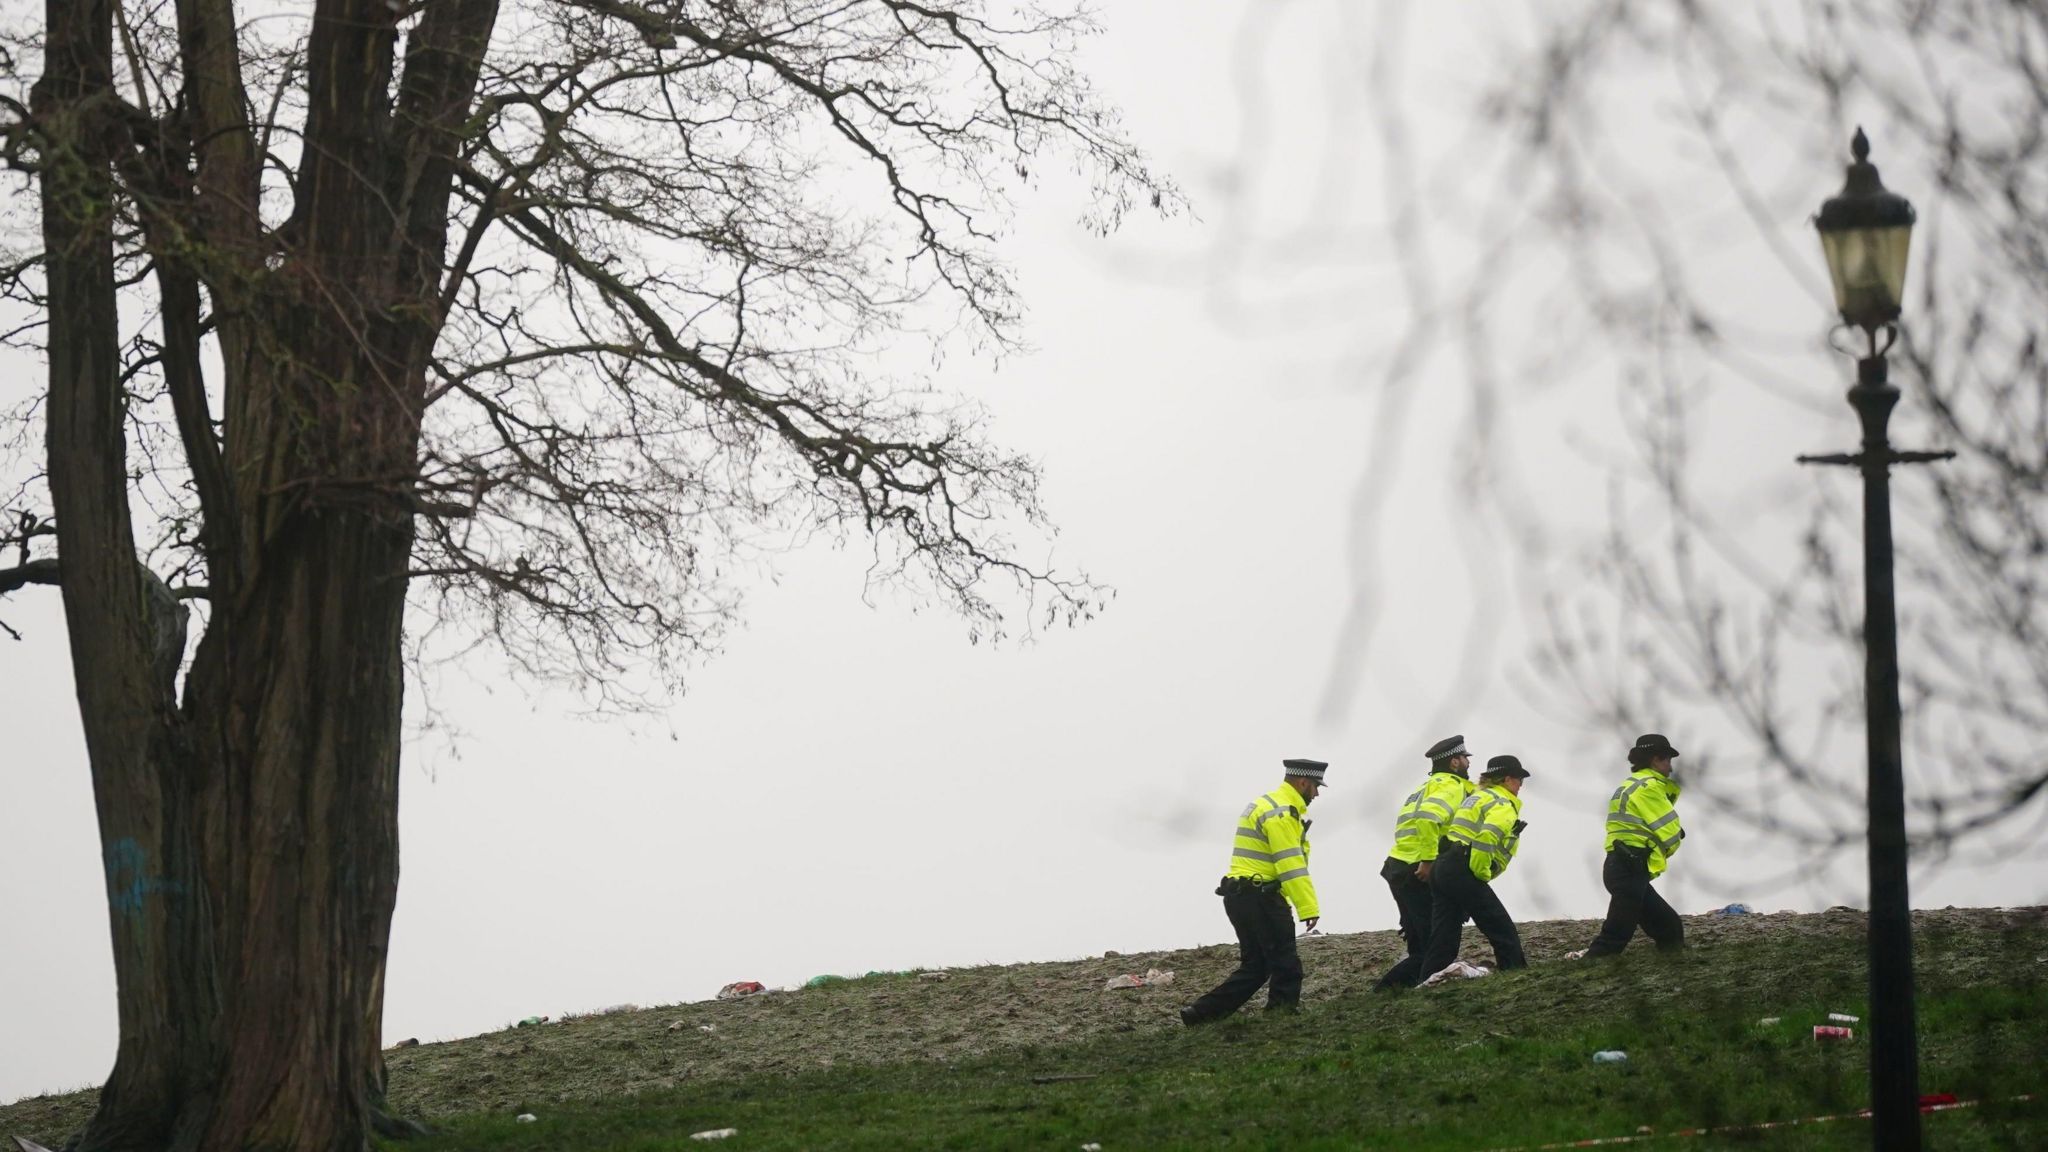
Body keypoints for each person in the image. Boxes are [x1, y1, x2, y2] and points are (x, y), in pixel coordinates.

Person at [1181, 758, 1327, 1024]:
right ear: (1303, 782)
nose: (1316, 794)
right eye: (1316, 787)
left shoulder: (1264, 804)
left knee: (1256, 966)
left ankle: (1201, 1014)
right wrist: (1308, 908)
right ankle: (1281, 1017)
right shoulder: (1283, 812)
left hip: (1238, 896)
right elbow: (1290, 863)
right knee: (1286, 962)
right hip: (1262, 896)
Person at [1372, 735, 1476, 990]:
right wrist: (1428, 862)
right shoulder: (1452, 786)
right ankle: (1387, 991)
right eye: (1465, 759)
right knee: (1436, 946)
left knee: (1420, 945)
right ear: (1454, 763)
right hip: (1418, 871)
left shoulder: (1424, 787)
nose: (1468, 765)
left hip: (1398, 867)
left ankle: (1400, 991)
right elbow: (1429, 819)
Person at [1416, 755, 1530, 981]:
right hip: (1462, 868)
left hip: (1443, 866)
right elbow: (1487, 837)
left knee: (1444, 935)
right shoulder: (1503, 803)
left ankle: (1428, 980)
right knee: (1500, 926)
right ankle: (1515, 974)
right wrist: (1481, 874)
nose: (1520, 786)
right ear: (1507, 779)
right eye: (1519, 780)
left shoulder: (1477, 797)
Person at [1581, 733, 1686, 957]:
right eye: (1668, 760)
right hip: (1630, 866)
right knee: (1617, 932)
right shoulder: (1650, 786)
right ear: (1656, 760)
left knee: (1669, 926)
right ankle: (1594, 962)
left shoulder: (1629, 785)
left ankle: (1675, 959)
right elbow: (1668, 830)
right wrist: (1675, 839)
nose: (1670, 768)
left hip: (1621, 865)